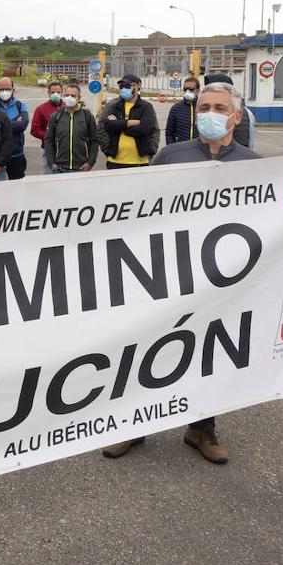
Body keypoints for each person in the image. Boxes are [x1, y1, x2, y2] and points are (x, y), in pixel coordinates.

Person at [102, 81, 257, 465]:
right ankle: (133, 424)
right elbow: (141, 211)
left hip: (221, 283)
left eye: (220, 108)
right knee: (150, 349)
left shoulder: (254, 166)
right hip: (166, 279)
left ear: (236, 116)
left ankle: (201, 428)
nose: (210, 114)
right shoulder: (171, 156)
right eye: (205, 107)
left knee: (209, 356)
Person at [96, 74, 159, 169]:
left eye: (127, 86)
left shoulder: (146, 107)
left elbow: (145, 129)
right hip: (114, 161)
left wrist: (119, 126)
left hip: (140, 162)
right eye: (121, 86)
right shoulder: (112, 106)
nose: (123, 89)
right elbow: (105, 126)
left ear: (138, 86)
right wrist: (107, 150)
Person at [45, 82, 99, 173]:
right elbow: (49, 140)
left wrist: (90, 162)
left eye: (73, 96)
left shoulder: (87, 116)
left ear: (79, 98)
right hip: (59, 168)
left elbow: (94, 140)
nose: (69, 98)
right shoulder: (55, 117)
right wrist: (51, 163)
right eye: (67, 95)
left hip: (81, 168)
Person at [0, 77, 30, 179]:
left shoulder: (21, 106)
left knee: (17, 189)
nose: (4, 92)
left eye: (7, 89)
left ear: (13, 89)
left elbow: (22, 125)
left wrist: (0, 124)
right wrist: (14, 122)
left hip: (16, 156)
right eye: (1, 89)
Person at [31, 80, 64, 172]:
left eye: (58, 92)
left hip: (65, 150)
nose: (55, 94)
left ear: (62, 92)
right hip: (48, 150)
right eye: (53, 92)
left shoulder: (67, 107)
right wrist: (49, 137)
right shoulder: (41, 109)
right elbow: (34, 130)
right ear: (48, 93)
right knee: (48, 176)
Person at [164, 76, 200, 145]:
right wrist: (172, 150)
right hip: (181, 149)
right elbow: (169, 133)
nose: (187, 91)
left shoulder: (204, 107)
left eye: (191, 89)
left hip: (200, 150)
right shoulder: (176, 108)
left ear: (198, 91)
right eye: (185, 89)